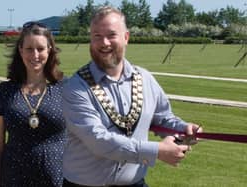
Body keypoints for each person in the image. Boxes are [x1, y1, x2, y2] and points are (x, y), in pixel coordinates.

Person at [62, 6, 202, 187]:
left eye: (111, 35)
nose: (104, 43)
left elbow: (162, 118)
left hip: (135, 183)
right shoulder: (76, 87)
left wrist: (184, 129)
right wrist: (157, 151)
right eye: (97, 36)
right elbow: (98, 140)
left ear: (126, 37)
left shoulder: (144, 79)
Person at [0, 22, 66, 187]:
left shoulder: (66, 88)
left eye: (40, 49)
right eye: (29, 49)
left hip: (58, 181)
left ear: (50, 50)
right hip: (13, 180)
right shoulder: (5, 90)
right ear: (20, 50)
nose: (35, 55)